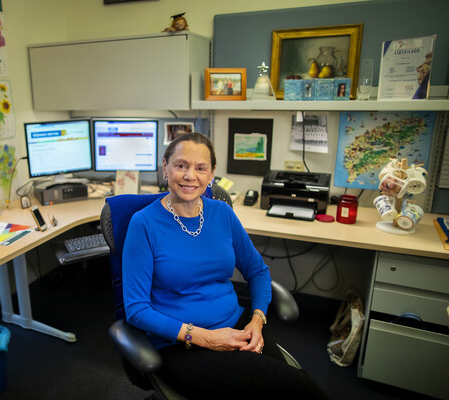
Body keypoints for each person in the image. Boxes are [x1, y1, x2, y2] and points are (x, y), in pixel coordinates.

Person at [122, 132, 329, 399]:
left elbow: (257, 271)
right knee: (299, 390)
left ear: (212, 174)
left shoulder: (222, 213)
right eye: (181, 165)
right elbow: (136, 310)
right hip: (182, 345)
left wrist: (256, 321)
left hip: (237, 328)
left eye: (200, 168)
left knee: (299, 385)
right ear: (165, 167)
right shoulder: (144, 224)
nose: (190, 176)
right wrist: (206, 338)